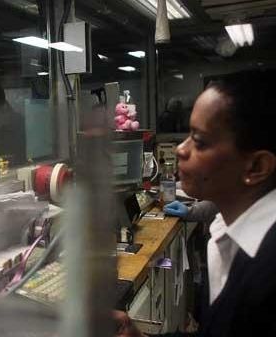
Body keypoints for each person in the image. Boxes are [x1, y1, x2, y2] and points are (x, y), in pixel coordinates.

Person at [116, 69, 276, 337]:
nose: (180, 149)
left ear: (256, 166)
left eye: (199, 141)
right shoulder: (226, 233)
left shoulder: (267, 274)